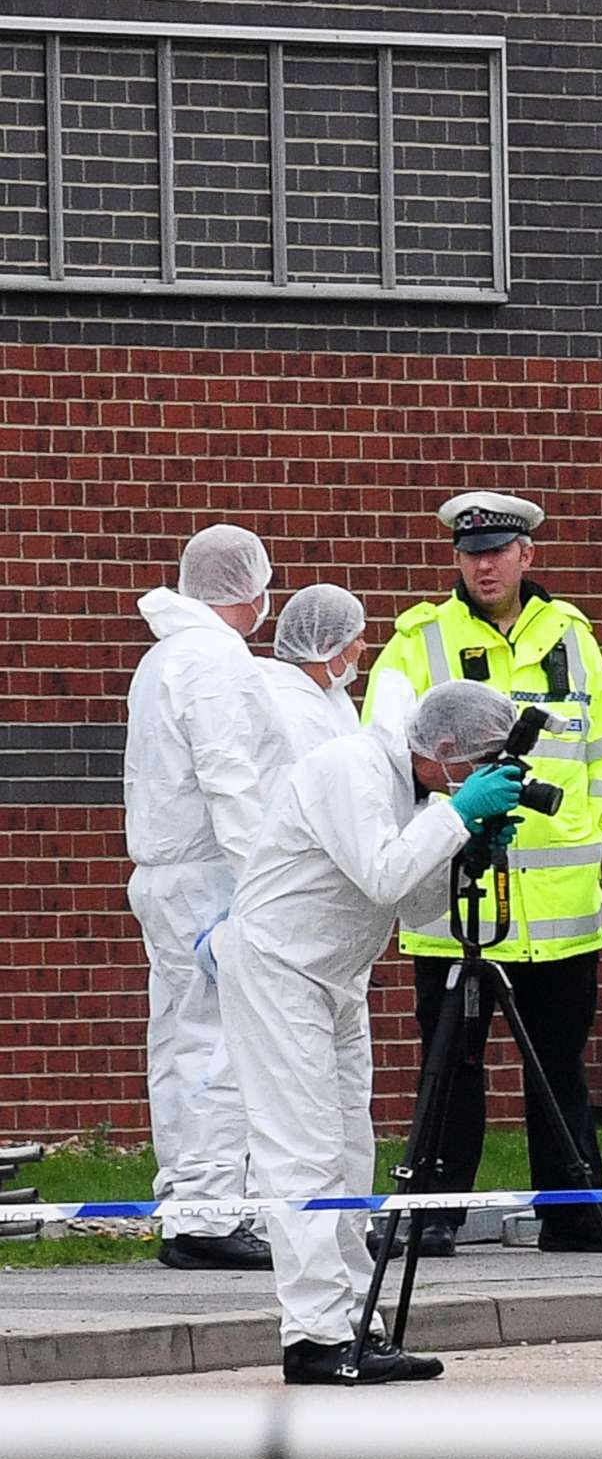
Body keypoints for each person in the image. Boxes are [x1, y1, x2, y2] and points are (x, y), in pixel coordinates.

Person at [213, 680, 527, 1385]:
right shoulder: (351, 768)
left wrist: (465, 848)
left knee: (352, 1153)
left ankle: (358, 1323)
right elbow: (384, 875)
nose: (477, 780)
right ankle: (314, 1337)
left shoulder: (417, 796)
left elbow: (414, 908)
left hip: (335, 976)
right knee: (304, 1155)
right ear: (445, 749)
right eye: (479, 765)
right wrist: (457, 820)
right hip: (277, 969)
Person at [361, 491, 602, 1257]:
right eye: (470, 552)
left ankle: (574, 1212)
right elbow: (384, 758)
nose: (483, 564)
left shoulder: (572, 636)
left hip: (559, 905)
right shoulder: (418, 639)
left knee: (560, 1066)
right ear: (455, 559)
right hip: (456, 894)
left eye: (497, 550)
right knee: (449, 1064)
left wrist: (597, 833)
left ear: (527, 555)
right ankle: (431, 1212)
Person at [123, 523, 283, 1271]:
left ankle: (185, 1199)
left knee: (178, 1039)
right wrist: (263, 881)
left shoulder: (163, 658)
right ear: (249, 589)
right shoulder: (217, 661)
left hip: (163, 874)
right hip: (212, 876)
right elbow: (230, 776)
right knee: (223, 1041)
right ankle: (213, 1210)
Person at [262, 583, 368, 761]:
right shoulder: (295, 710)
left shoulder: (330, 695)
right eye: (358, 638)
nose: (364, 647)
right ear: (329, 644)